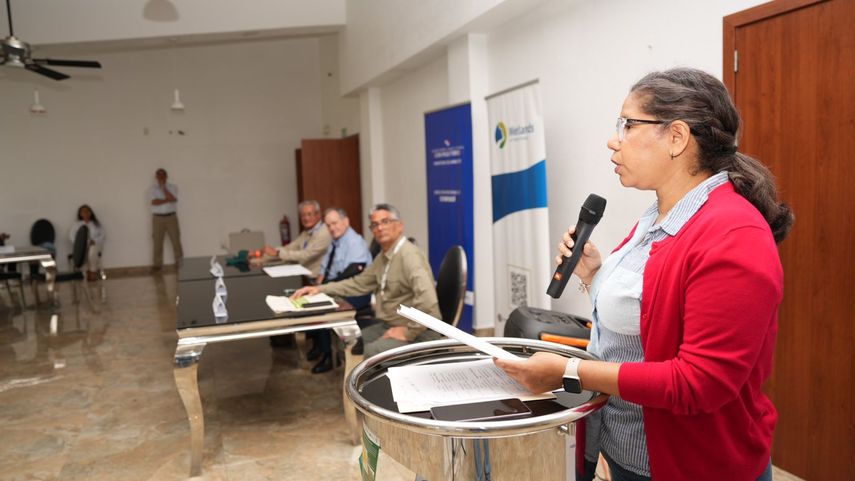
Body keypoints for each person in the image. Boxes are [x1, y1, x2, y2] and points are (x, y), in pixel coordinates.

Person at [495, 68, 793, 481]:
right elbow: (649, 315)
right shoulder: (659, 213)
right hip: (628, 451)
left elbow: (698, 383)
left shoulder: (734, 235)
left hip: (693, 464)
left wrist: (568, 371)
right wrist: (595, 275)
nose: (613, 140)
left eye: (628, 124)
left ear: (677, 137)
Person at [292, 203, 441, 358]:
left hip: (421, 331)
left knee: (368, 353)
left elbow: (428, 302)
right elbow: (358, 283)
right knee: (348, 343)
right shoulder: (383, 257)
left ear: (400, 226)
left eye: (385, 222)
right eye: (375, 224)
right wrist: (319, 289)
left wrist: (408, 332)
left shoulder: (410, 256)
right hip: (390, 324)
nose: (380, 228)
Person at [307, 207, 373, 374]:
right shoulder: (335, 242)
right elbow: (324, 270)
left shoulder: (354, 242)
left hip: (357, 291)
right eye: (328, 225)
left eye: (334, 223)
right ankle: (320, 346)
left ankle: (329, 356)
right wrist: (318, 285)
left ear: (346, 222)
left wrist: (325, 288)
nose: (332, 228)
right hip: (338, 286)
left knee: (324, 308)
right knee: (311, 300)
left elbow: (352, 275)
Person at [261, 200, 331, 277]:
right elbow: (290, 248)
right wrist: (265, 253)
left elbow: (306, 255)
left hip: (315, 278)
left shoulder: (325, 232)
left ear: (318, 215)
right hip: (303, 273)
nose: (306, 218)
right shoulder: (306, 233)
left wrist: (277, 253)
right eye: (303, 215)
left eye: (309, 214)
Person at [147, 168, 183, 272]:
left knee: (176, 241)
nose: (161, 177)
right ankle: (157, 266)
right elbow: (154, 202)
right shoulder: (152, 189)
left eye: (163, 175)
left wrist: (164, 189)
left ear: (166, 176)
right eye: (159, 175)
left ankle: (180, 264)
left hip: (171, 218)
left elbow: (174, 199)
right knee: (157, 243)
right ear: (156, 177)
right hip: (157, 219)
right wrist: (167, 199)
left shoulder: (173, 187)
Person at [68, 204, 105, 281]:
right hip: (82, 246)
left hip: (95, 244)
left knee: (92, 252)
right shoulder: (77, 224)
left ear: (91, 213)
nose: (86, 213)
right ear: (80, 214)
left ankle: (92, 272)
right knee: (83, 254)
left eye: (87, 211)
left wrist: (94, 241)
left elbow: (102, 234)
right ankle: (86, 272)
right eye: (83, 212)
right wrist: (81, 243)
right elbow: (71, 236)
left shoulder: (95, 223)